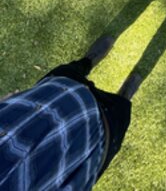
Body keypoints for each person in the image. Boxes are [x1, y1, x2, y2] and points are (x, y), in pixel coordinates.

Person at [0, 36, 141, 189]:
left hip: (40, 104)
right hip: (88, 143)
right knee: (120, 115)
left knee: (68, 72)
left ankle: (87, 61)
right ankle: (124, 97)